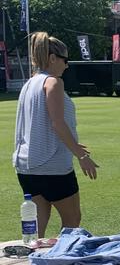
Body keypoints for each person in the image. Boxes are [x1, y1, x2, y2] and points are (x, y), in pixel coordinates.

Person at [13, 32, 99, 239]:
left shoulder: (28, 84)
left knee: (36, 228)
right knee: (72, 221)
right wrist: (82, 156)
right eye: (65, 60)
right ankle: (60, 263)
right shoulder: (53, 82)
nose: (67, 65)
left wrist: (74, 145)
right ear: (52, 58)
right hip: (52, 166)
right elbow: (57, 123)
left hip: (26, 166)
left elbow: (41, 124)